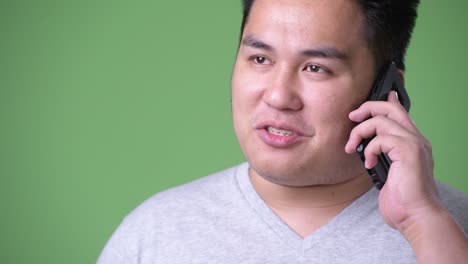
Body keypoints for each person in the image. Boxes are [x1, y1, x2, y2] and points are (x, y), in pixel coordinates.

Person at [98, 0, 468, 263]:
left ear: (387, 92)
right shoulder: (155, 231)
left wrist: (422, 224)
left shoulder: (451, 229)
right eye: (260, 59)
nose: (278, 96)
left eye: (315, 68)